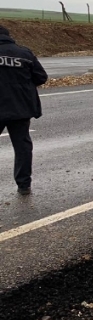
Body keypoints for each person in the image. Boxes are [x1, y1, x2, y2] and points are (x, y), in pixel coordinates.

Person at [0, 25, 48, 195]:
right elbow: (41, 77)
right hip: (20, 108)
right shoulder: (24, 53)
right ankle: (23, 184)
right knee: (22, 147)